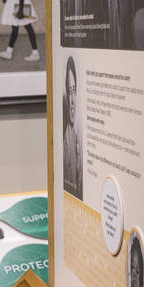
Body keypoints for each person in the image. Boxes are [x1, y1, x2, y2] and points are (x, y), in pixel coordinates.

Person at [62, 56, 83, 199]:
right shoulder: (64, 138)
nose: (72, 100)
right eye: (69, 91)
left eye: (74, 90)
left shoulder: (79, 137)